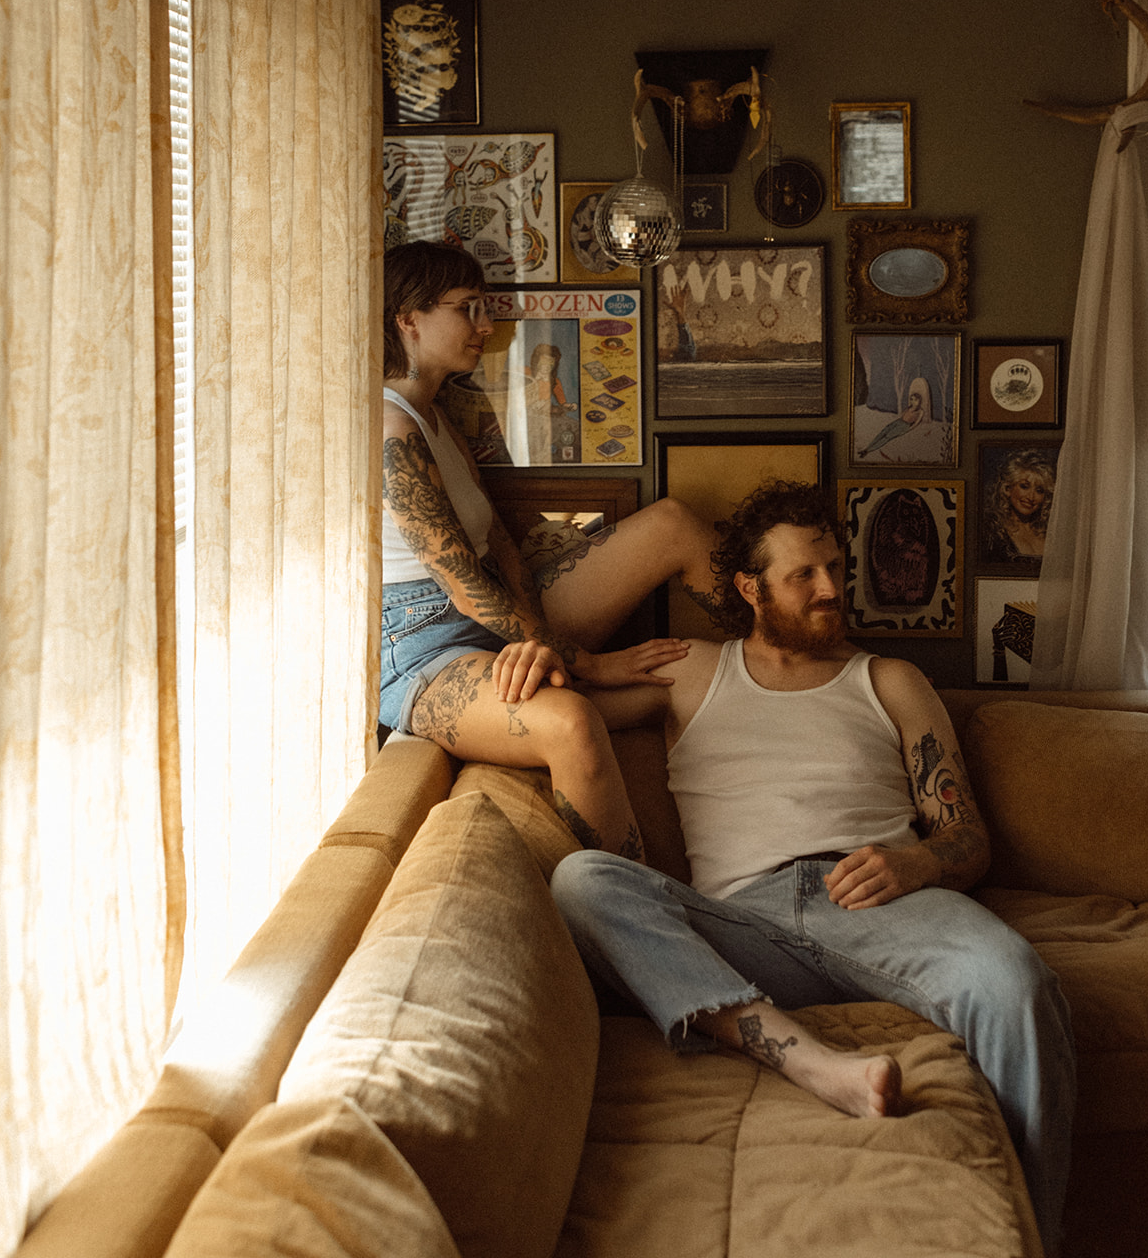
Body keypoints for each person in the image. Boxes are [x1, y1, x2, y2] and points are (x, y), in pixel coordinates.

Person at [550, 481, 1075, 1250]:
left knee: (1016, 984)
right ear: (749, 588)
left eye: (835, 567)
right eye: (805, 575)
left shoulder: (890, 680)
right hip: (743, 921)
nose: (831, 588)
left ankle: (1039, 1235)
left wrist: (918, 861)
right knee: (582, 883)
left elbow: (968, 837)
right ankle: (811, 1064)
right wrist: (576, 661)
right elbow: (562, 702)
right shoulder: (692, 669)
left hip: (880, 905)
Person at [380, 239, 726, 858]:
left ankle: (797, 667)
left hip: (504, 614)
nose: (485, 326)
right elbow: (459, 580)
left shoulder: (439, 419)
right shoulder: (390, 427)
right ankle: (628, 915)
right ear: (408, 317)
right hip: (423, 645)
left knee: (673, 524)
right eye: (467, 308)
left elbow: (502, 549)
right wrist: (586, 662)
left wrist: (535, 632)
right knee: (572, 722)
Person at [983, 448, 1057, 562]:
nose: (1031, 497)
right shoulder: (991, 532)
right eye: (1024, 486)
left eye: (1039, 490)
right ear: (1008, 489)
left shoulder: (1052, 533)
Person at [858, 375, 932, 459]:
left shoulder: (920, 411)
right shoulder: (909, 408)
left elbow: (917, 422)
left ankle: (868, 451)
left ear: (919, 401)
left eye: (915, 400)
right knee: (883, 432)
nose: (913, 401)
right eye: (912, 399)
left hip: (904, 426)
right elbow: (903, 414)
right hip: (899, 421)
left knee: (887, 437)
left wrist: (909, 429)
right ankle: (867, 448)